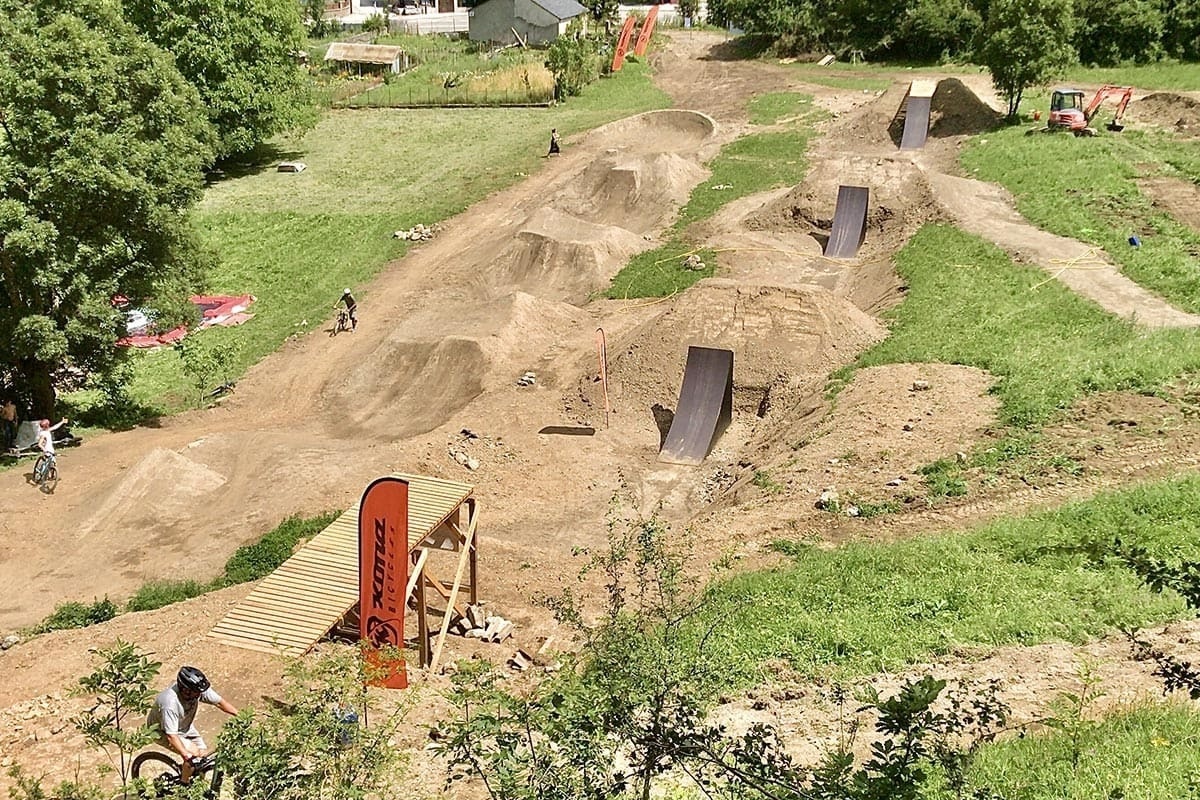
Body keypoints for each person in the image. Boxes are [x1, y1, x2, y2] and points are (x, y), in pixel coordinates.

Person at [147, 667, 238, 783]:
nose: (200, 694)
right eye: (197, 692)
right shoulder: (170, 703)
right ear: (185, 690)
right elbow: (171, 736)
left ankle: (193, 777)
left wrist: (241, 716)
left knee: (204, 759)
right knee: (194, 758)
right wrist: (186, 755)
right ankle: (184, 785)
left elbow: (220, 703)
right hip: (162, 732)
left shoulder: (197, 690)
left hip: (184, 726)